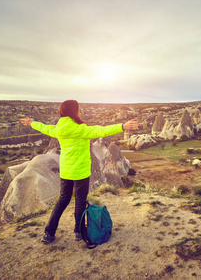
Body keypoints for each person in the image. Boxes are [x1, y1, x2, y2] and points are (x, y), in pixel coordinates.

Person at [20, 100, 138, 243]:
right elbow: (102, 130)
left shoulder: (58, 129)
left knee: (62, 201)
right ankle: (78, 232)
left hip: (66, 172)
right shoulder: (81, 130)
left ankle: (48, 233)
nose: (80, 112)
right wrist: (122, 126)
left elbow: (44, 128)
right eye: (79, 110)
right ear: (73, 112)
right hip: (81, 172)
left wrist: (31, 123)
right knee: (80, 202)